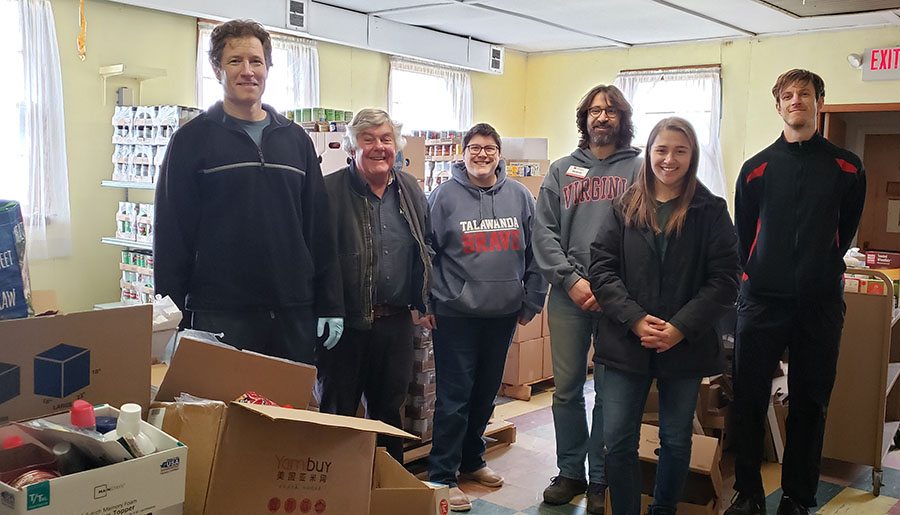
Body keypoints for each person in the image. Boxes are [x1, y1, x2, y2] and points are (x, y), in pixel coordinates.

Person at [154, 19, 343, 365]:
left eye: (256, 61)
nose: (247, 71)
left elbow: (319, 229)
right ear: (217, 69)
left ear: (268, 68)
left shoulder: (295, 140)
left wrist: (330, 302)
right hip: (221, 312)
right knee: (223, 414)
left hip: (292, 311)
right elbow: (171, 236)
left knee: (287, 414)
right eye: (235, 61)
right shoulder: (190, 141)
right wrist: (169, 318)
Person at [726, 69, 866, 515]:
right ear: (778, 106)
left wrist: (816, 269)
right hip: (761, 301)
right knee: (748, 398)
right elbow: (744, 234)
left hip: (819, 303)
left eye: (804, 94)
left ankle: (797, 498)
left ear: (819, 101)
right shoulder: (756, 169)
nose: (796, 101)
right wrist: (759, 278)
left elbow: (844, 233)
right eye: (787, 95)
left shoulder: (847, 166)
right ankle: (748, 494)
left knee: (810, 402)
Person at [588, 117, 740, 515]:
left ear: (692, 157)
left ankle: (664, 510)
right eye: (661, 149)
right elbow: (602, 269)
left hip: (683, 345)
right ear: (649, 153)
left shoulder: (710, 210)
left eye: (680, 150)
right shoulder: (623, 206)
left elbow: (725, 280)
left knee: (675, 439)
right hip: (626, 342)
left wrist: (679, 328)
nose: (669, 159)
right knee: (618, 439)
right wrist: (636, 319)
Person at [425, 123, 548, 511]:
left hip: (503, 313)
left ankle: (472, 460)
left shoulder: (519, 197)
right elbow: (426, 255)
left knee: (485, 393)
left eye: (489, 148)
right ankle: (442, 475)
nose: (482, 154)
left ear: (499, 154)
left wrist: (532, 301)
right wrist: (426, 303)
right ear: (462, 153)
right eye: (474, 148)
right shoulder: (442, 197)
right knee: (454, 396)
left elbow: (537, 252)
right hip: (455, 313)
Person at [533, 84, 643, 514]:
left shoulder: (639, 169)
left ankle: (600, 478)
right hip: (567, 296)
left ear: (622, 118)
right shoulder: (562, 170)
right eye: (595, 111)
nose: (602, 117)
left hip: (618, 300)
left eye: (610, 111)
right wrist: (571, 281)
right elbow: (543, 232)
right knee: (566, 390)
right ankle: (570, 472)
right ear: (584, 119)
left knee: (610, 391)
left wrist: (608, 286)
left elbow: (644, 233)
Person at [315, 108, 432, 464]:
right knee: (338, 413)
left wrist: (424, 300)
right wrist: (327, 307)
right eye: (368, 139)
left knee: (387, 414)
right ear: (353, 147)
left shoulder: (409, 188)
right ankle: (333, 489)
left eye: (386, 139)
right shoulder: (328, 190)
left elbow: (423, 246)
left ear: (396, 146)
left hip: (394, 324)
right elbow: (317, 256)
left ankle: (384, 487)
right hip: (344, 325)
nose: (379, 147)